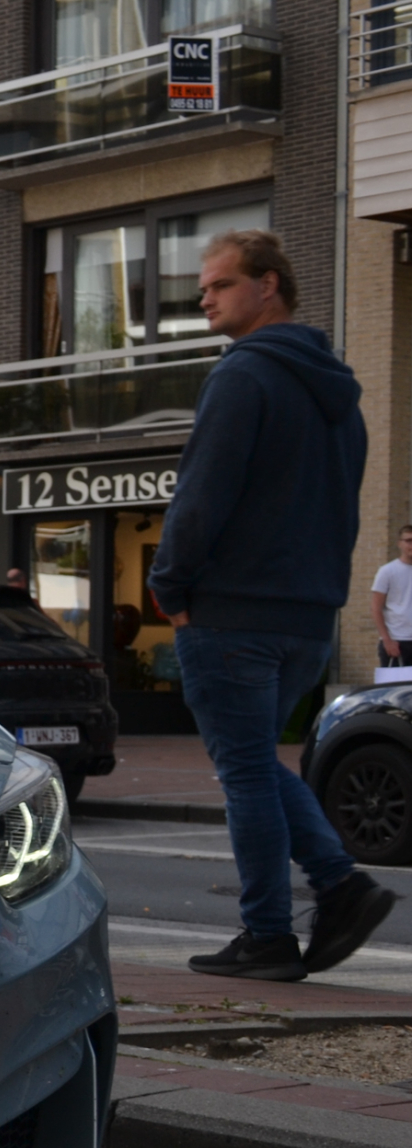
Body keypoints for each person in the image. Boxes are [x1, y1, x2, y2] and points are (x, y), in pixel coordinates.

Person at [151, 228, 397, 980]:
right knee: (257, 763)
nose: (204, 298)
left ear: (269, 286)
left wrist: (171, 583)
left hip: (230, 614)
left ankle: (281, 923)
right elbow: (343, 512)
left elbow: (202, 495)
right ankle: (334, 891)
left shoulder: (243, 376)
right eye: (203, 288)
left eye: (220, 284)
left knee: (247, 772)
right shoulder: (341, 398)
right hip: (307, 619)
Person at [374, 523, 412, 672]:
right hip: (396, 641)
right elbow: (375, 607)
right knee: (395, 693)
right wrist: (387, 640)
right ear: (399, 544)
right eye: (408, 541)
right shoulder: (387, 571)